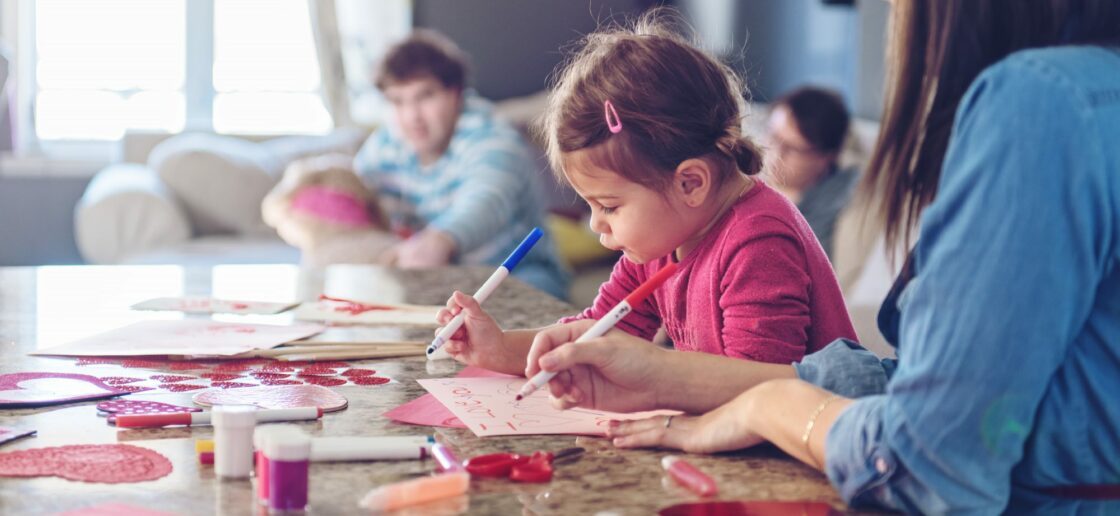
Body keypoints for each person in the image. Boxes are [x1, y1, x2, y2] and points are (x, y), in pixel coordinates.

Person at [529, 1, 1120, 513]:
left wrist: (770, 404)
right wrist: (677, 378)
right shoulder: (1084, 97)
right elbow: (939, 393)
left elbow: (927, 461)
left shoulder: (1043, 104)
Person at [434, 12, 857, 377]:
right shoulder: (664, 236)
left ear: (690, 183)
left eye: (609, 206)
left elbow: (760, 388)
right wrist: (499, 349)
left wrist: (654, 392)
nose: (596, 223)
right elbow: (600, 332)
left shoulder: (759, 241)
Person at [354, 30, 569, 300]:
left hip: (519, 273)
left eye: (425, 96)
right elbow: (354, 189)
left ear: (454, 94)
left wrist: (440, 240)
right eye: (398, 101)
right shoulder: (385, 144)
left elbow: (486, 199)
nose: (412, 116)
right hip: (440, 283)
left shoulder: (493, 137)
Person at [767, 86, 858, 259]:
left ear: (826, 157)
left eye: (792, 148)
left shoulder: (834, 197)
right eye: (773, 136)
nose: (775, 153)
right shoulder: (743, 179)